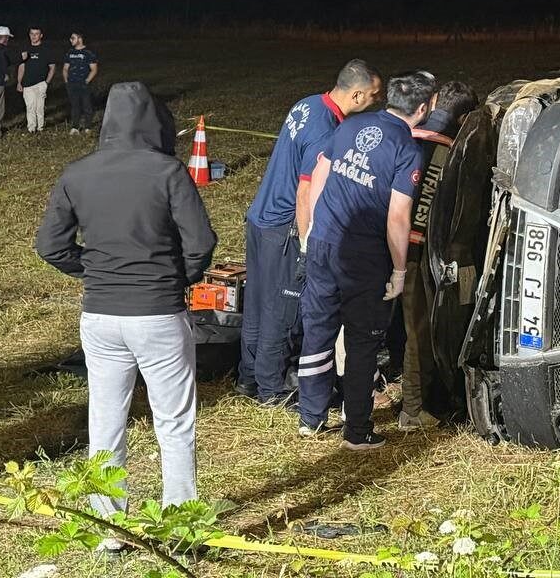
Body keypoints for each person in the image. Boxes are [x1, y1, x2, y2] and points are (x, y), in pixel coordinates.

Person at [36, 82, 217, 514]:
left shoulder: (76, 173)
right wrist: (176, 280)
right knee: (174, 422)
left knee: (105, 423)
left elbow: (49, 246)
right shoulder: (168, 172)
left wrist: (94, 272)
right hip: (158, 313)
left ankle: (107, 525)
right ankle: (179, 523)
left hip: (99, 315)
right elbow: (201, 243)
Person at [297, 72, 434, 450]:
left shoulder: (351, 124)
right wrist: (400, 271)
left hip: (324, 243)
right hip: (363, 258)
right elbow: (398, 218)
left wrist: (313, 232)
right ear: (423, 109)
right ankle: (357, 430)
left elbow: (322, 174)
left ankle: (310, 416)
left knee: (319, 329)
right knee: (362, 342)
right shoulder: (408, 149)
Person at [239, 59, 382, 407]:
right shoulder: (326, 130)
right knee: (281, 309)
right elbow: (306, 192)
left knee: (257, 302)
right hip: (285, 225)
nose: (376, 102)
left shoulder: (307, 104)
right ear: (358, 94)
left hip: (261, 216)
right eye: (375, 96)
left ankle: (248, 378)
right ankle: (271, 390)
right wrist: (306, 246)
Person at [399, 80, 478, 430]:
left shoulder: (406, 135)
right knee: (420, 330)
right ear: (463, 119)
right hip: (416, 254)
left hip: (377, 247)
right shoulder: (448, 149)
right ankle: (413, 410)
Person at [16, 26, 57, 133]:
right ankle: (31, 129)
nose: (34, 36)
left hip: (41, 83)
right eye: (32, 34)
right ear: (29, 35)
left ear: (41, 35)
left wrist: (46, 83)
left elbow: (52, 67)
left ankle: (41, 128)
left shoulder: (46, 50)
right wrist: (19, 82)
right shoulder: (25, 50)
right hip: (27, 84)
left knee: (40, 108)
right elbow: (21, 66)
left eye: (36, 34)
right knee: (30, 107)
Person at [62, 32, 99, 134]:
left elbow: (94, 69)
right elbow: (65, 68)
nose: (71, 40)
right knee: (75, 106)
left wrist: (87, 81)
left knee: (87, 105)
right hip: (71, 84)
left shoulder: (88, 53)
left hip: (84, 84)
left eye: (73, 38)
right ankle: (75, 127)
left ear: (80, 39)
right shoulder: (70, 52)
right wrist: (66, 81)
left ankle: (88, 127)